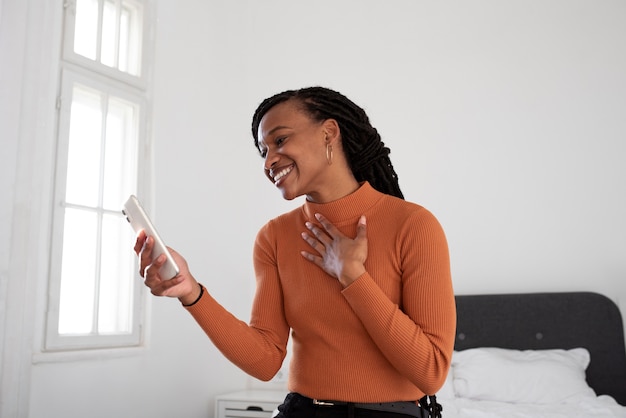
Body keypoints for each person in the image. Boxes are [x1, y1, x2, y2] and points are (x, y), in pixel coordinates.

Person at [135, 86, 456, 418]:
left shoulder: (413, 225)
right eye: (263, 151)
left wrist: (353, 276)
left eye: (280, 140)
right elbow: (265, 360)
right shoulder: (274, 237)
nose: (269, 161)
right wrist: (191, 292)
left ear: (329, 133)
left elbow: (430, 371)